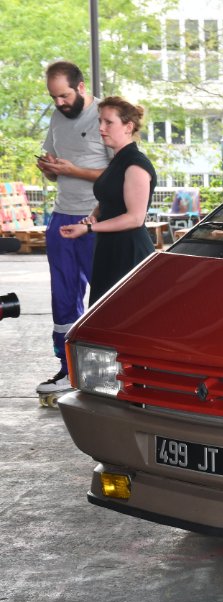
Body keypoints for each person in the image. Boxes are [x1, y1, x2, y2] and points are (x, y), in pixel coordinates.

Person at [35, 61, 113, 394]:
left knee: (105, 296)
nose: (59, 103)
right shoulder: (57, 118)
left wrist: (74, 170)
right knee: (63, 295)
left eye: (64, 96)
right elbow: (56, 171)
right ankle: (67, 368)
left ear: (81, 87)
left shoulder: (105, 117)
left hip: (97, 218)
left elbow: (122, 172)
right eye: (53, 97)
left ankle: (107, 372)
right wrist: (50, 169)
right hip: (61, 215)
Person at [60, 97, 157, 306]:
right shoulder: (118, 161)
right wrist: (93, 217)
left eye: (109, 122)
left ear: (128, 127)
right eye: (100, 121)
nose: (101, 128)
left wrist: (89, 228)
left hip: (129, 252)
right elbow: (109, 199)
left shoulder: (135, 164)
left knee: (123, 313)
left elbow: (135, 218)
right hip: (110, 247)